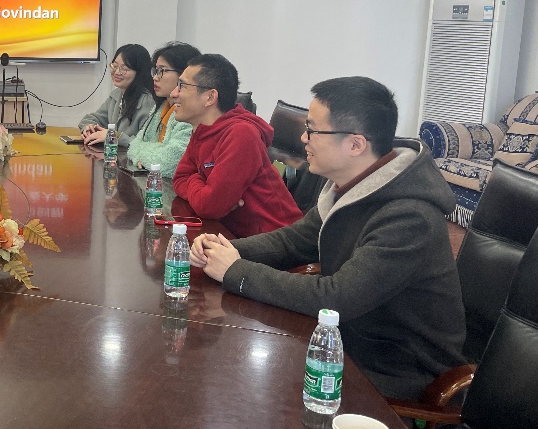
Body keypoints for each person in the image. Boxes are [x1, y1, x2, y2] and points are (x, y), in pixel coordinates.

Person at [191, 76, 466, 400]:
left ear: (355, 145)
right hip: (346, 340)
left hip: (397, 369)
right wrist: (223, 249)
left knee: (245, 380)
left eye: (313, 130)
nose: (303, 139)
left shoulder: (409, 217)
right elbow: (293, 242)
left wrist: (235, 271)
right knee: (235, 360)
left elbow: (336, 298)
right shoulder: (350, 184)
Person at [172, 53, 302, 237]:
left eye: (182, 86)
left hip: (274, 241)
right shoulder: (202, 131)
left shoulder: (241, 134)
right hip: (231, 235)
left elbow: (209, 206)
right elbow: (180, 179)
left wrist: (206, 192)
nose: (174, 93)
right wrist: (204, 189)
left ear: (210, 97)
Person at [125, 42, 201, 178]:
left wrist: (146, 157)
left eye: (162, 71)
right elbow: (134, 145)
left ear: (184, 73)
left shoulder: (190, 112)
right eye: (155, 71)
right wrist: (151, 157)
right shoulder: (160, 107)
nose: (155, 77)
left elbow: (169, 162)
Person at [79, 44, 155, 149]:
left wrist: (114, 136)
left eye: (124, 69)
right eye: (114, 66)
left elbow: (147, 145)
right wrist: (89, 128)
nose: (117, 72)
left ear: (139, 72)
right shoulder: (116, 95)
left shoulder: (148, 102)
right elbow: (91, 118)